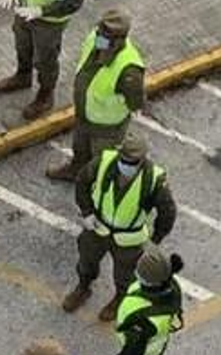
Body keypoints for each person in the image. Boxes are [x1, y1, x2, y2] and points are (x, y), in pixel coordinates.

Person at [64, 126, 176, 319]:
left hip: (129, 239)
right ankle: (83, 288)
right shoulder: (105, 162)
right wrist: (87, 212)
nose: (125, 165)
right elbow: (82, 181)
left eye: (131, 162)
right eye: (123, 159)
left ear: (142, 160)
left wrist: (154, 240)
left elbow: (168, 213)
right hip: (97, 228)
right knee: (86, 261)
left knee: (125, 275)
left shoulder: (154, 180)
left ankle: (119, 299)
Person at [45, 9, 145, 184]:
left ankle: (100, 185)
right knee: (80, 147)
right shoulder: (95, 39)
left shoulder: (129, 69)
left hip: (107, 127)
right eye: (100, 31)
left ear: (118, 40)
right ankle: (76, 169)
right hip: (84, 115)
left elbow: (135, 101)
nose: (100, 36)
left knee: (102, 160)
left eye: (106, 35)